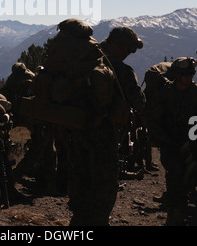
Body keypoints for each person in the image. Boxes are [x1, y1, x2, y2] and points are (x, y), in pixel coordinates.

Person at [43, 21, 145, 226]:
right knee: (103, 188)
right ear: (121, 46)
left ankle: (79, 222)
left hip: (73, 131)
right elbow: (139, 102)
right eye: (129, 50)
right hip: (102, 137)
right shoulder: (119, 69)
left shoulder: (85, 59)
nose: (129, 54)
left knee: (80, 179)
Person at [145, 57, 197, 225]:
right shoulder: (165, 94)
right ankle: (174, 217)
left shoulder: (195, 93)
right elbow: (153, 121)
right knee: (175, 181)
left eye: (191, 74)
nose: (188, 78)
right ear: (176, 75)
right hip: (171, 146)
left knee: (189, 181)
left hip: (192, 145)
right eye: (184, 74)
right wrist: (167, 141)